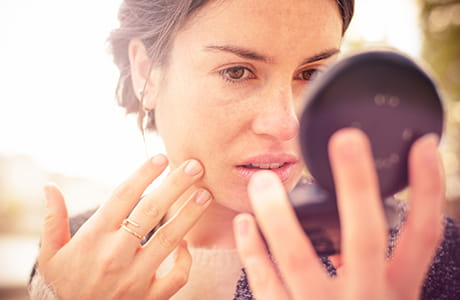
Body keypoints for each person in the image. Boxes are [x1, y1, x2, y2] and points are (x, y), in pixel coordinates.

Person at [29, 0, 459, 299]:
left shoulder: (428, 257)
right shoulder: (75, 260)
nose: (286, 123)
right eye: (237, 72)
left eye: (311, 73)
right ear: (147, 73)